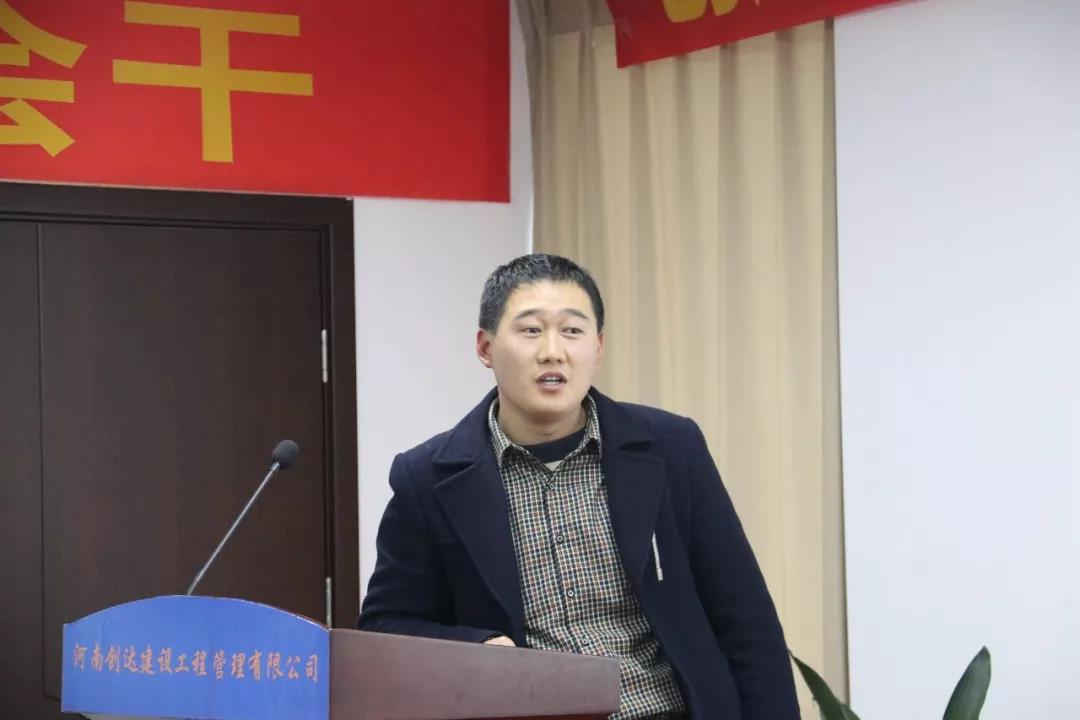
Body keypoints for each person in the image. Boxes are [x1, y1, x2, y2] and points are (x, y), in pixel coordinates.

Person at [358, 253, 801, 719]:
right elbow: (386, 628)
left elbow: (746, 622)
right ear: (485, 347)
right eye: (531, 330)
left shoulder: (671, 448)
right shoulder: (428, 477)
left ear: (598, 348)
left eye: (572, 330)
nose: (553, 351)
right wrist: (479, 646)